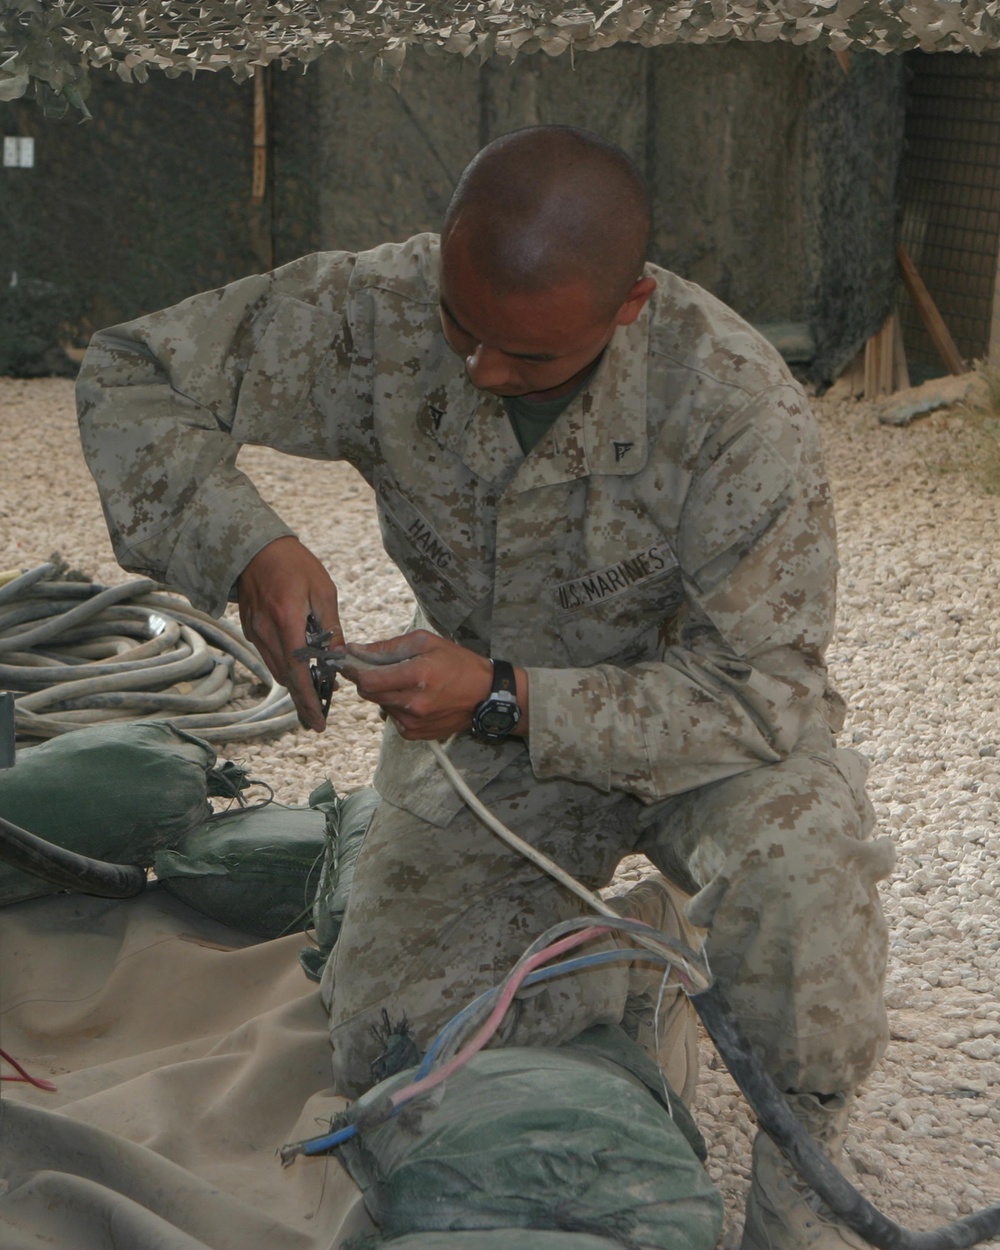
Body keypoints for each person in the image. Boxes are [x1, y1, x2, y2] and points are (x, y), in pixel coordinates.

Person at [78, 124, 894, 1250]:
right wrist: (247, 549)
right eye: (463, 330)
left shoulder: (732, 402)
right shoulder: (381, 310)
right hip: (486, 759)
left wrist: (508, 694)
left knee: (809, 874)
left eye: (529, 360)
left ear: (630, 306)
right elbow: (131, 369)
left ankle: (797, 1198)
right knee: (397, 1035)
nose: (479, 373)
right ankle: (615, 995)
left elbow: (766, 698)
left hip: (697, 743)